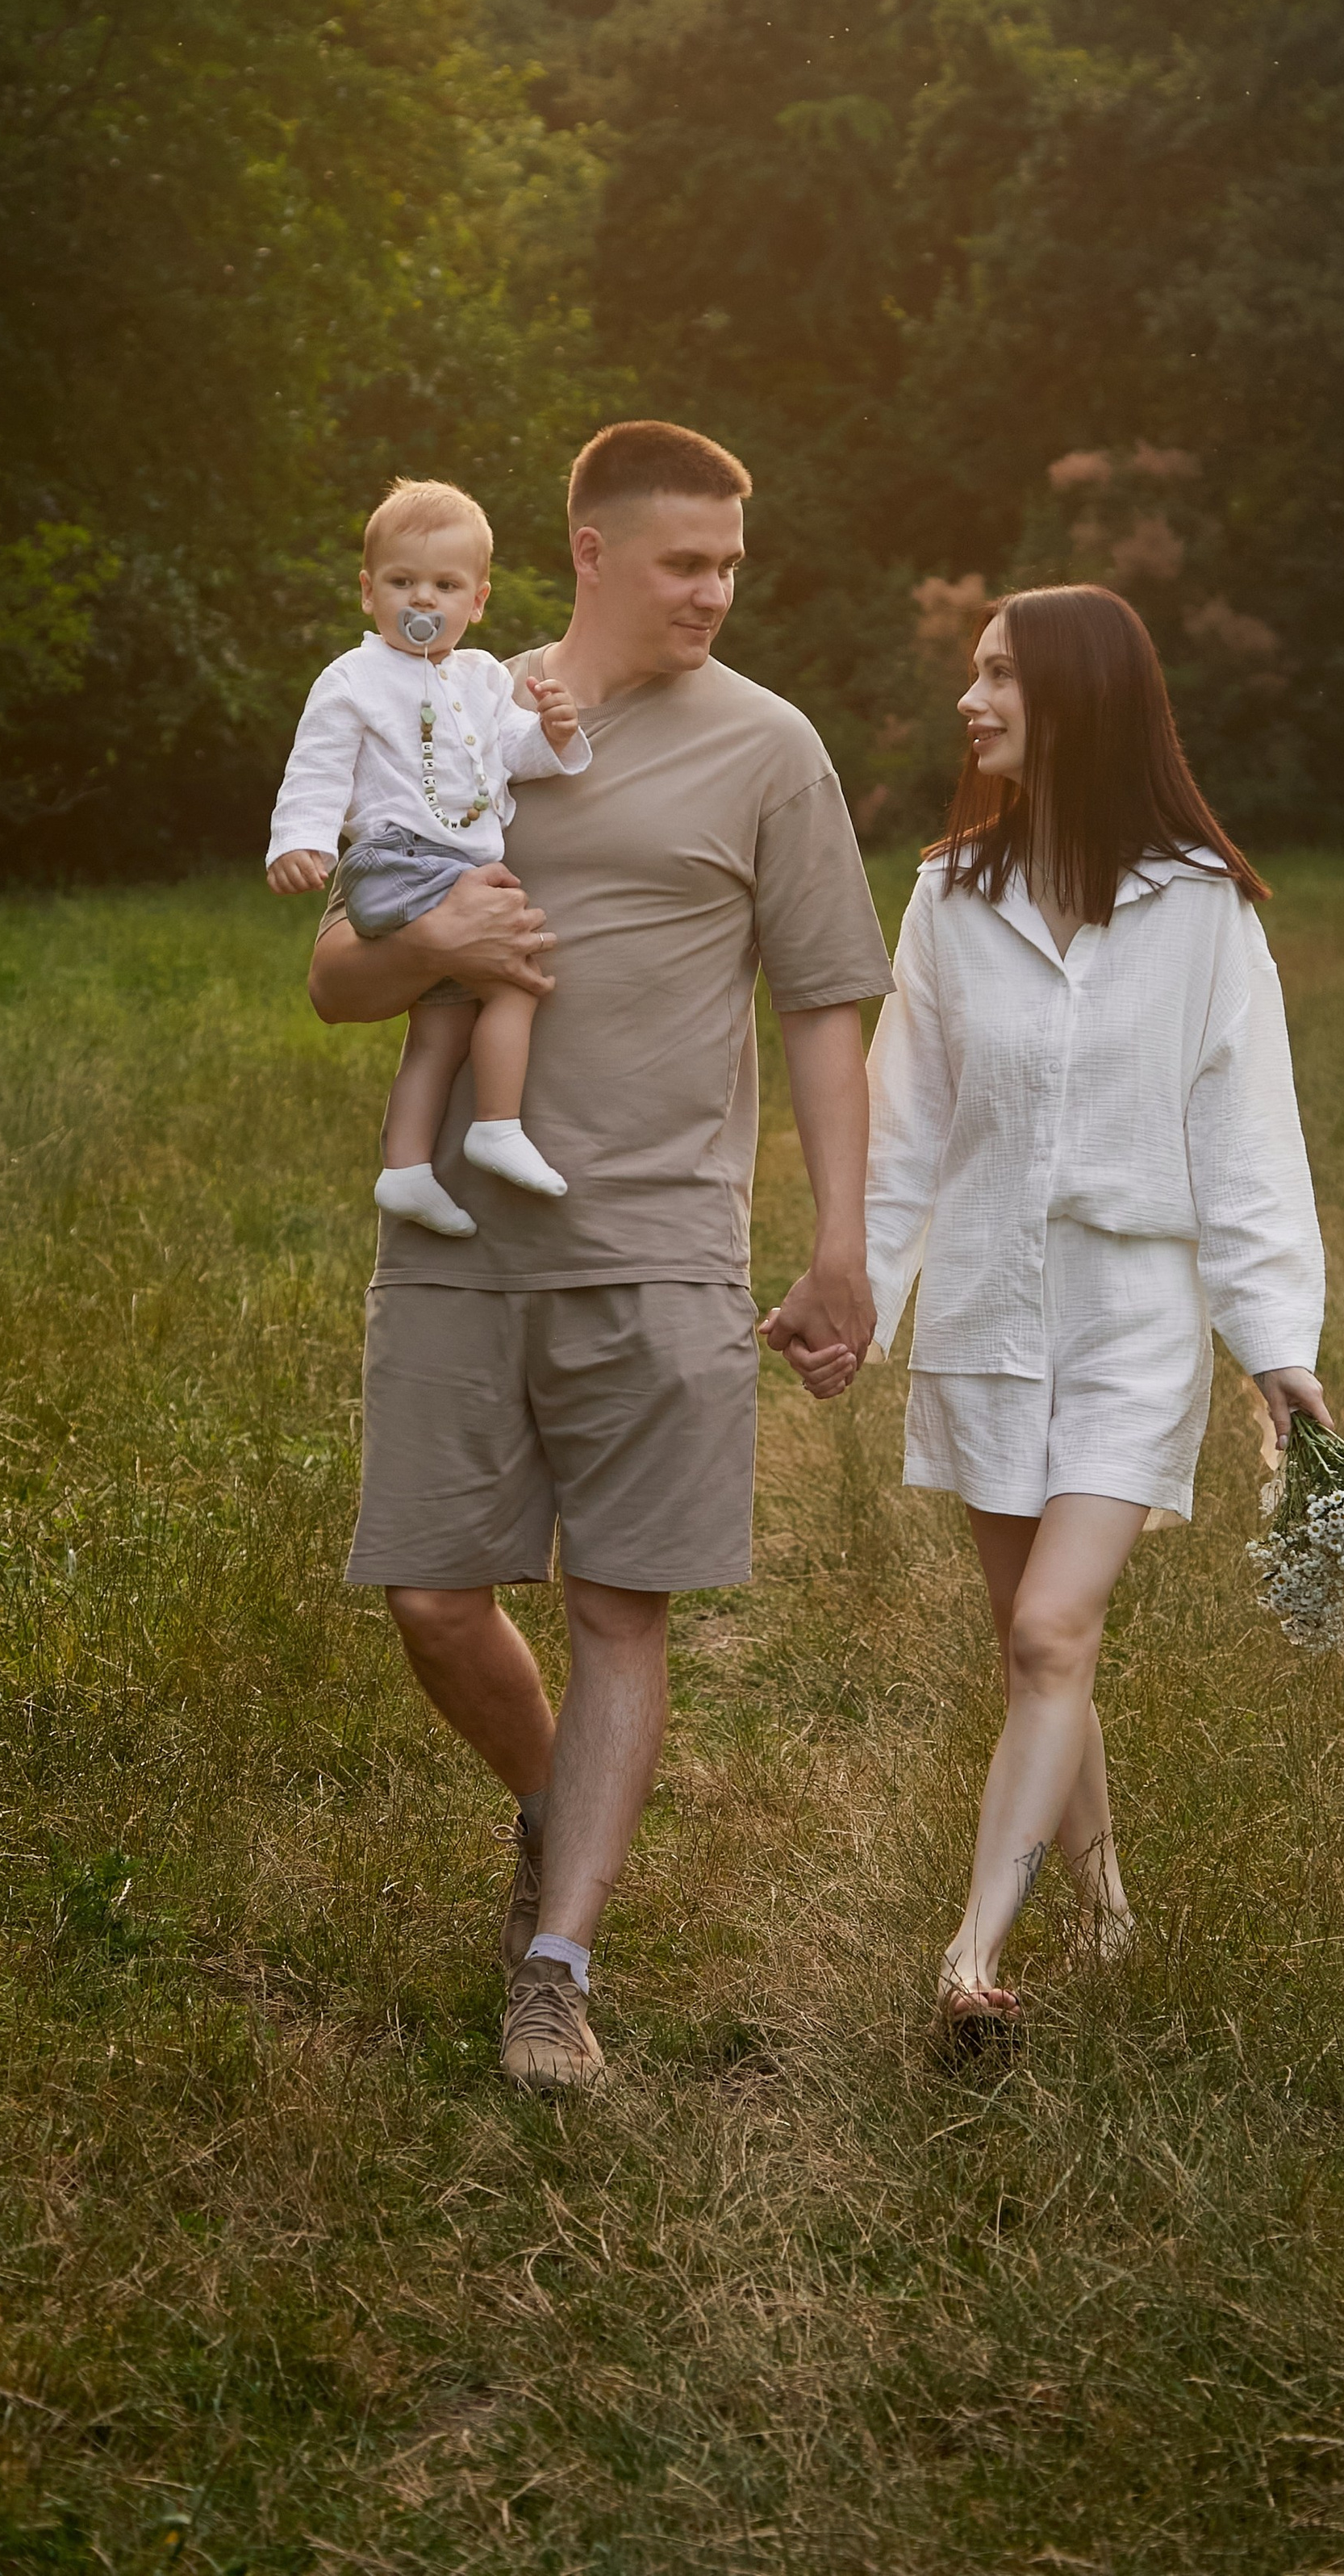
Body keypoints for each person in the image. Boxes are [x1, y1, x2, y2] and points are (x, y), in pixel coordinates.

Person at [305, 420, 892, 2092]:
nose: (713, 592)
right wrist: (430, 935)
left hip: (656, 1239)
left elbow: (825, 1012)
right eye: (682, 563)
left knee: (618, 1605)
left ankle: (555, 1969)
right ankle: (558, 1812)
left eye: (728, 565)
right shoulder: (451, 714)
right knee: (431, 1596)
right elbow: (337, 980)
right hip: (457, 1243)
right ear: (589, 554)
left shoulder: (771, 751)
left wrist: (838, 1244)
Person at [863, 584, 1329, 2041]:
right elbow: (905, 1127)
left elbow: (1251, 1136)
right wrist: (856, 1305)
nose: (971, 699)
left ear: (1080, 700)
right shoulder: (950, 897)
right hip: (991, 1309)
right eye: (973, 671)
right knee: (1035, 1646)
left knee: (1058, 1627)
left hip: (1133, 1317)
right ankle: (1111, 1913)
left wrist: (1278, 1346)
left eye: (1000, 674)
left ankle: (972, 1959)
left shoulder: (1202, 909)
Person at [267, 479, 589, 1234]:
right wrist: (301, 843)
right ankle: (496, 1127)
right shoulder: (353, 678)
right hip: (397, 864)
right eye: (402, 582)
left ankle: (405, 1169)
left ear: (478, 600)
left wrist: (557, 732)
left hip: (447, 874)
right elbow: (316, 765)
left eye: (445, 586)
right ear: (368, 592)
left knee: (440, 1029)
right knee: (515, 978)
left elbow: (516, 754)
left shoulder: (481, 676)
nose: (423, 600)